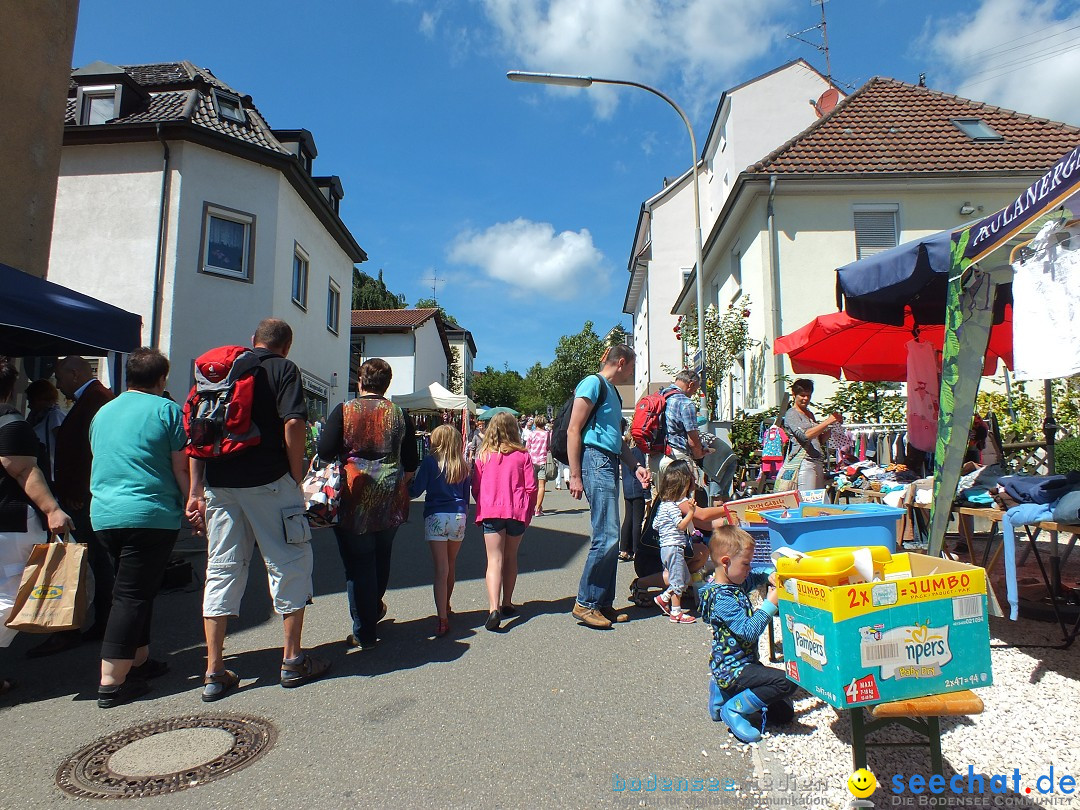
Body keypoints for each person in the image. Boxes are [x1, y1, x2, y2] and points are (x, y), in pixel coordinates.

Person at [188, 319, 329, 701]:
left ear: (253, 342)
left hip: (220, 482)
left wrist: (195, 489)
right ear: (287, 346)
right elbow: (295, 422)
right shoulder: (284, 369)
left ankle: (214, 670)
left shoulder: (221, 372)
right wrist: (295, 473)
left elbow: (198, 433)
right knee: (288, 561)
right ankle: (292, 659)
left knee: (222, 568)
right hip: (269, 481)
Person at [89, 348, 189, 708]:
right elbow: (181, 468)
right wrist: (195, 504)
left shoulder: (102, 413)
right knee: (130, 595)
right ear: (162, 379)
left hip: (104, 514)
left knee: (137, 588)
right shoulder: (166, 411)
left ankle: (140, 660)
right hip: (150, 514)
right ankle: (111, 682)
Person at [318, 357, 418, 651]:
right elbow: (412, 461)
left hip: (353, 496)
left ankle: (364, 631)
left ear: (360, 382)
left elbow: (324, 451)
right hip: (390, 497)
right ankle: (372, 610)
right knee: (380, 557)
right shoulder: (399, 414)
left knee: (358, 564)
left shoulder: (345, 411)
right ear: (386, 385)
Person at [31, 355, 117, 657]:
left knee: (86, 561)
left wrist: (77, 490)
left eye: (60, 376)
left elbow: (90, 451)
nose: (58, 384)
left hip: (83, 496)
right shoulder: (93, 398)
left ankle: (84, 623)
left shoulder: (95, 399)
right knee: (92, 560)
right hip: (81, 494)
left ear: (75, 374)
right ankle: (98, 620)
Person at [0, 357, 74, 696]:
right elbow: (25, 471)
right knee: (14, 596)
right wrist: (52, 509)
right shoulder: (12, 425)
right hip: (13, 520)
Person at [567, 344, 651, 629]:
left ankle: (602, 602)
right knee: (607, 534)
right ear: (622, 362)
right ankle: (586, 603)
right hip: (595, 460)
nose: (632, 372)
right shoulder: (593, 383)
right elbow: (573, 429)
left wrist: (636, 466)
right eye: (632, 367)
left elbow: (616, 440)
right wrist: (575, 474)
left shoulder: (612, 393)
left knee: (610, 535)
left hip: (608, 460)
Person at [700, 525, 798, 743]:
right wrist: (769, 605)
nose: (749, 568)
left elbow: (755, 576)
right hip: (734, 669)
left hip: (742, 665)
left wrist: (768, 576)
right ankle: (733, 710)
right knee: (787, 683)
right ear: (725, 562)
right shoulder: (722, 598)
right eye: (745, 564)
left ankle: (722, 691)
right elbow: (748, 632)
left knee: (784, 715)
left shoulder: (735, 581)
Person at [472, 412, 536, 632]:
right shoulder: (523, 455)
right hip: (516, 510)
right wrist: (529, 512)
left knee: (494, 560)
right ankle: (508, 602)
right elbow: (531, 488)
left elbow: (476, 487)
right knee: (510, 557)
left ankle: (493, 608)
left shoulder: (483, 456)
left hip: (491, 510)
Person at [409, 424, 469, 638]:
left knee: (440, 570)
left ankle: (442, 617)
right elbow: (466, 494)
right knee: (451, 565)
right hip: (458, 516)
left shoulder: (429, 462)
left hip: (436, 515)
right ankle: (448, 604)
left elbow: (415, 491)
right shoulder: (462, 464)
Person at [650, 461, 702, 624]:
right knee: (678, 579)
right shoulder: (673, 507)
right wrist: (691, 513)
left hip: (666, 547)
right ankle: (676, 612)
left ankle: (664, 598)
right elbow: (681, 525)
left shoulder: (663, 506)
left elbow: (655, 524)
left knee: (685, 577)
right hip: (674, 548)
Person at [648, 369, 710, 489]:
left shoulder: (659, 397)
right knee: (683, 503)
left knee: (663, 502)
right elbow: (692, 440)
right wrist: (699, 454)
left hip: (655, 459)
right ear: (691, 384)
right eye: (695, 390)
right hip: (676, 458)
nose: (693, 393)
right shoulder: (685, 402)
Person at [777, 378, 841, 492]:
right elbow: (805, 436)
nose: (806, 399)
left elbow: (818, 440)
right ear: (794, 394)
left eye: (808, 395)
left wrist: (832, 428)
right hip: (804, 462)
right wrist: (827, 421)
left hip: (816, 461)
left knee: (816, 500)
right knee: (807, 499)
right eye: (802, 395)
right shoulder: (792, 414)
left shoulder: (810, 414)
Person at [619, 420, 647, 563]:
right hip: (637, 487)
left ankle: (624, 549)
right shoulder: (638, 452)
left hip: (627, 488)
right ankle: (636, 550)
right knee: (637, 521)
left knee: (628, 518)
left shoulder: (626, 452)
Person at [25, 379, 64, 480]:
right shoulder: (34, 418)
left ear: (43, 399)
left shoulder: (55, 416)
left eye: (31, 401)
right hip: (39, 472)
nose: (29, 405)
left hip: (51, 476)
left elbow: (63, 444)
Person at [526, 415, 551, 516]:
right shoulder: (547, 434)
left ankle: (531, 507)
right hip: (543, 461)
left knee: (532, 486)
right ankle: (538, 508)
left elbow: (527, 447)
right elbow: (549, 447)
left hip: (532, 462)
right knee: (541, 486)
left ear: (535, 423)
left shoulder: (531, 434)